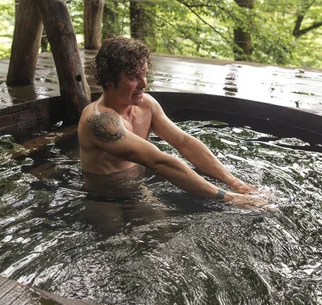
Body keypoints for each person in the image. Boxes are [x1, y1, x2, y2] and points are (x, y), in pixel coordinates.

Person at [78, 36, 268, 208]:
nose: (144, 84)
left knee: (162, 232)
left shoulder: (147, 105)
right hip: (103, 197)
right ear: (109, 80)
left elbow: (184, 142)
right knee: (113, 240)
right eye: (133, 77)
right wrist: (229, 198)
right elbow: (158, 162)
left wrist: (235, 182)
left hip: (138, 186)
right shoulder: (100, 121)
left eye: (143, 74)